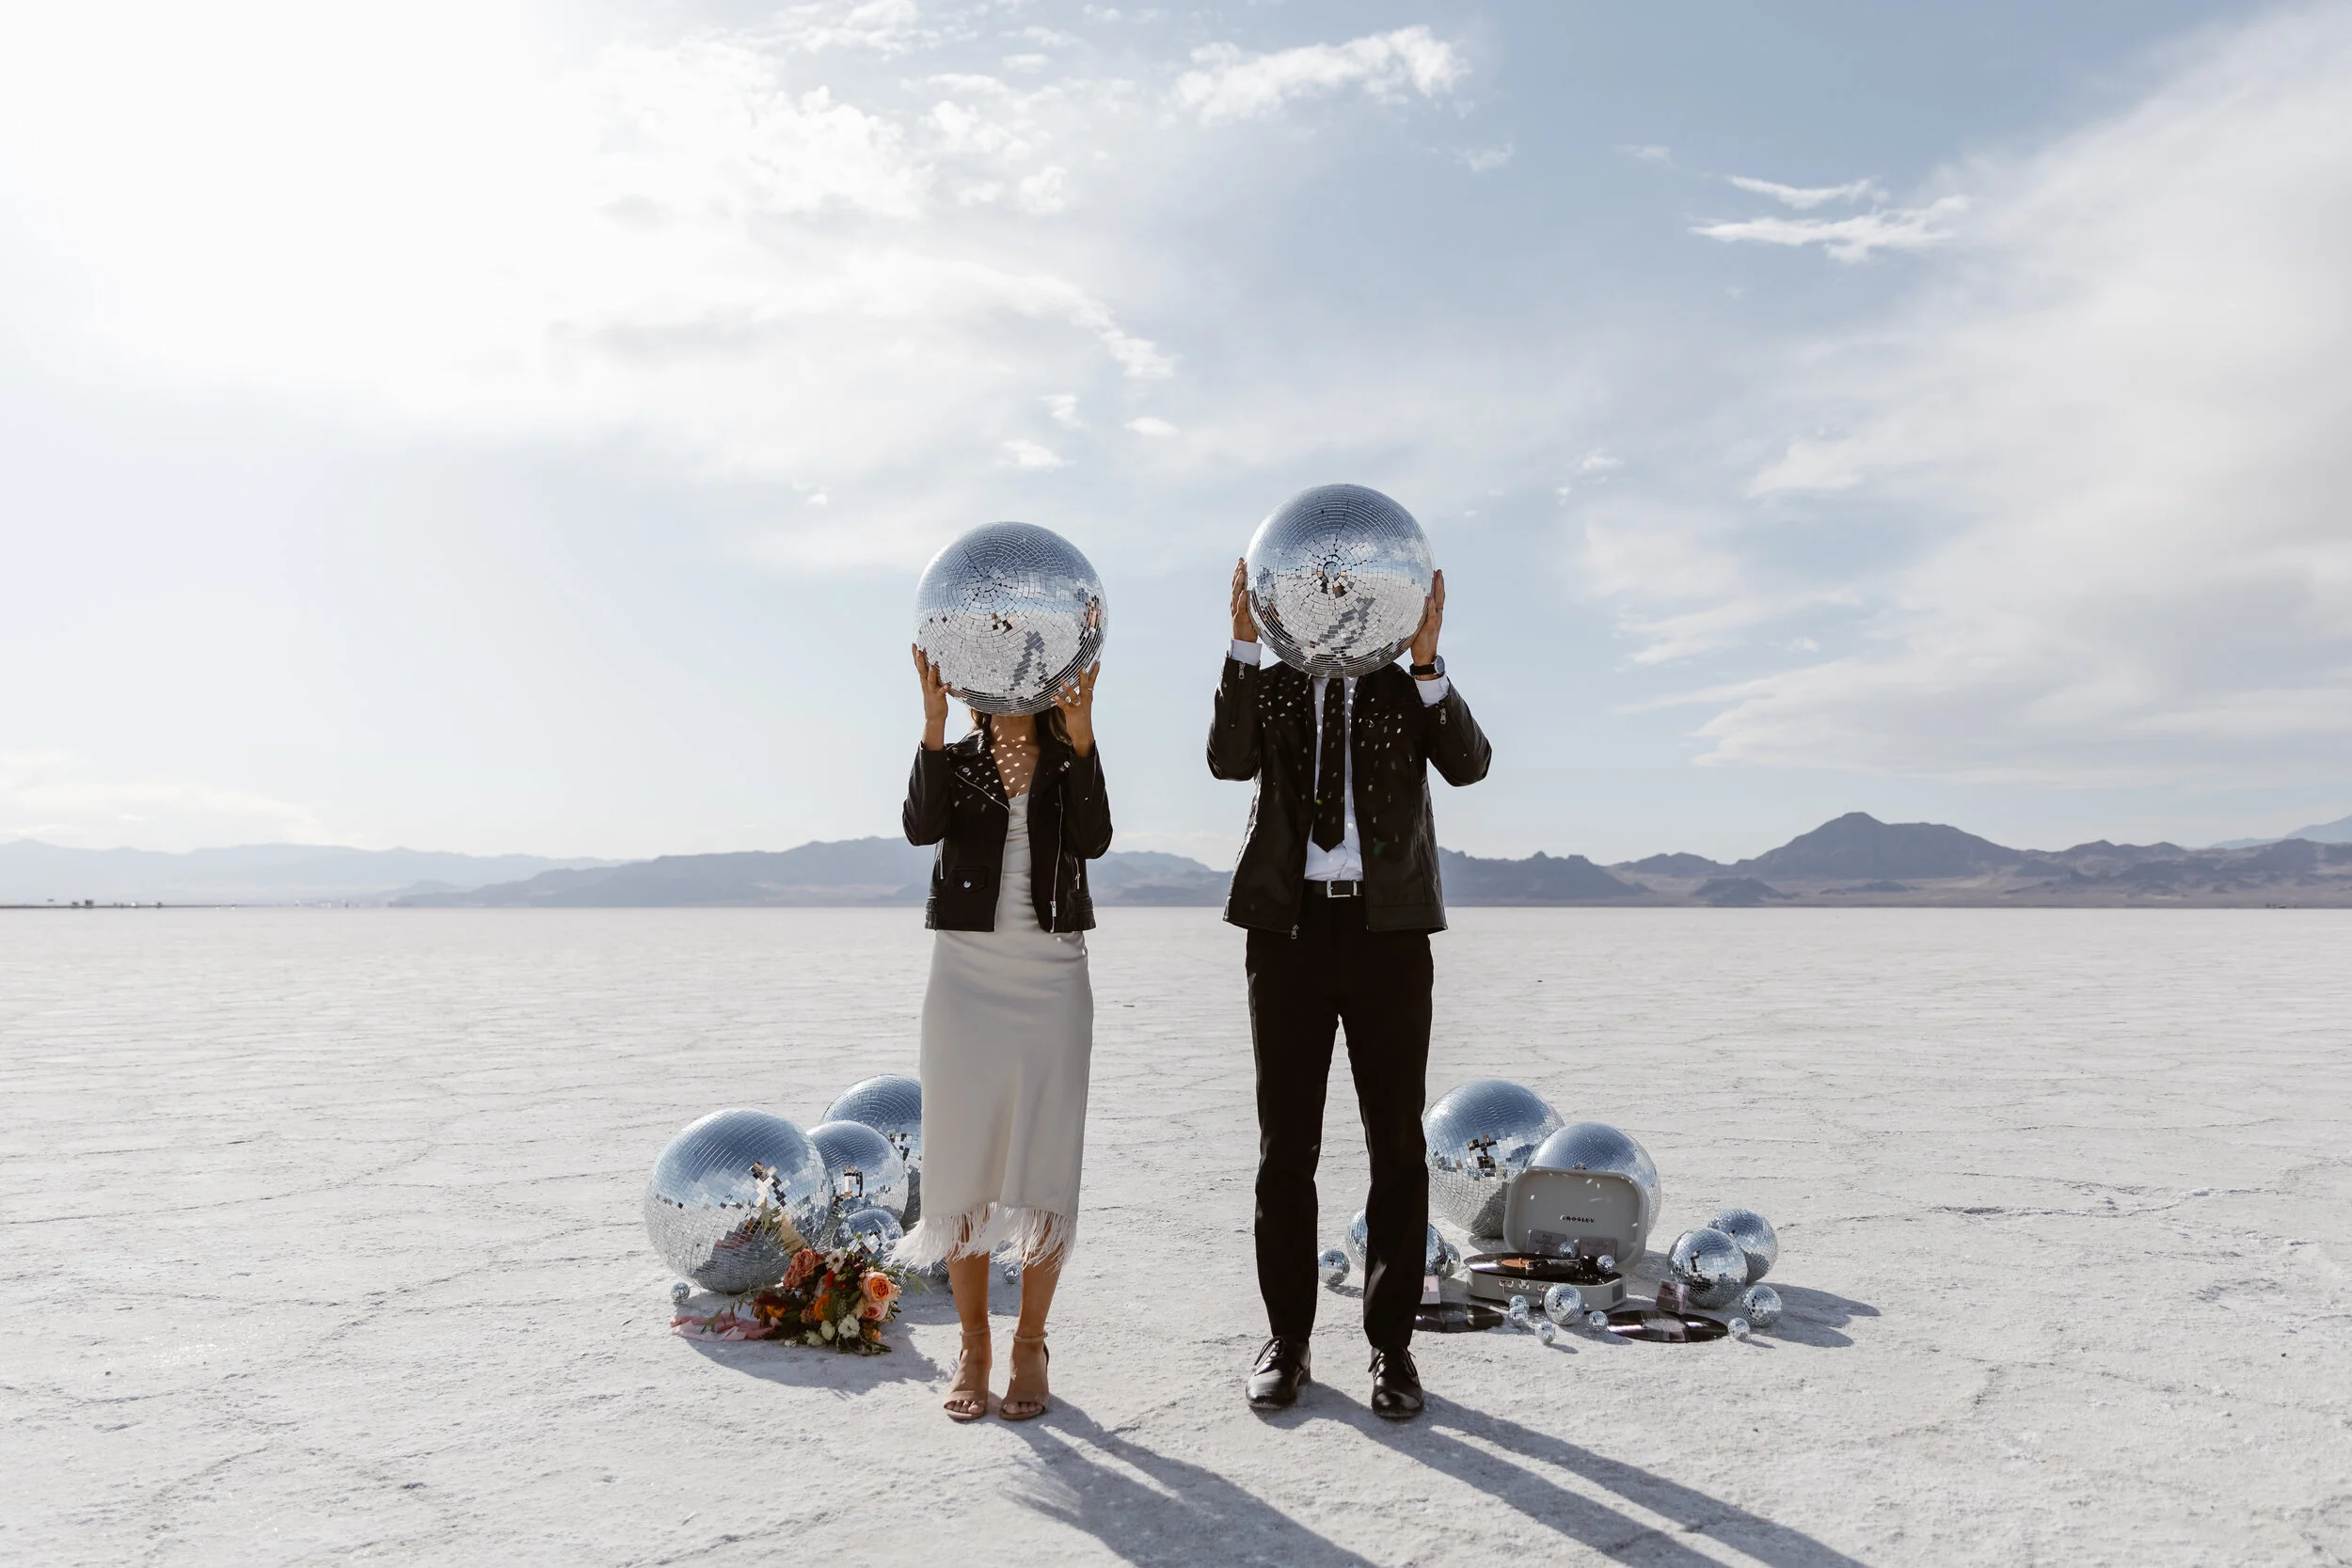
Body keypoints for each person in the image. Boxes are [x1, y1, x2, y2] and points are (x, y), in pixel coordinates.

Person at [1207, 559, 1491, 1420]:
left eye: (1347, 591)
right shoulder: (1281, 686)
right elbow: (1227, 758)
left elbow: (1471, 763)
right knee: (1284, 1148)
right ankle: (1287, 1340)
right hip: (1287, 935)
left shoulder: (1405, 689)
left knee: (1396, 1147)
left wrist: (1430, 661)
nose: (1334, 605)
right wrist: (1244, 648)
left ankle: (1392, 1348)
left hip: (1388, 936)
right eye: (1318, 590)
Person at [898, 647, 1109, 1422]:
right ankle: (974, 1345)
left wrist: (1082, 738)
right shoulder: (955, 759)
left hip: (1052, 972)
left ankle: (1030, 1342)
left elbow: (1095, 837)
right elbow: (922, 828)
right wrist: (931, 725)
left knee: (1046, 1155)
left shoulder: (1067, 755)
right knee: (962, 1157)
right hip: (965, 976)